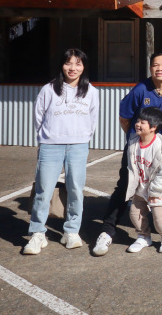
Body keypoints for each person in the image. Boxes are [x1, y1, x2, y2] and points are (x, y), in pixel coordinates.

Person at [92, 52, 162, 256]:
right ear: (150, 67)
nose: (159, 69)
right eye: (155, 65)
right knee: (126, 185)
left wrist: (158, 137)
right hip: (138, 147)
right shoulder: (140, 89)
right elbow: (124, 117)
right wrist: (137, 139)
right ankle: (107, 230)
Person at [23, 49, 99, 255]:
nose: (73, 68)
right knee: (44, 190)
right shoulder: (48, 90)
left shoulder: (91, 91)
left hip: (78, 145)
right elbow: (38, 117)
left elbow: (92, 119)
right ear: (61, 65)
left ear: (84, 67)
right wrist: (46, 139)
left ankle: (71, 231)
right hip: (51, 145)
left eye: (78, 64)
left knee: (75, 190)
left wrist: (82, 137)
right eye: (68, 63)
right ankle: (38, 233)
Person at [125, 107, 162, 254]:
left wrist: (155, 192)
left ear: (153, 127)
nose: (138, 124)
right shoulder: (133, 142)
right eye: (138, 121)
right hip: (140, 188)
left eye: (143, 122)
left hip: (159, 190)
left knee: (160, 218)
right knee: (135, 214)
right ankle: (143, 237)